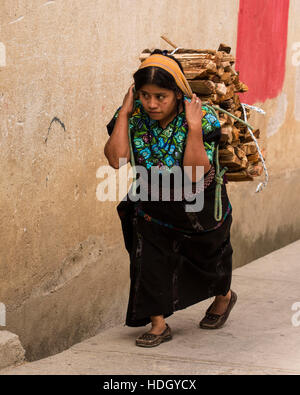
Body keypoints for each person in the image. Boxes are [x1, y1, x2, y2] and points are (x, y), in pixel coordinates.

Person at [104, 50, 237, 348]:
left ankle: (223, 296)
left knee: (208, 257)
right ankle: (158, 323)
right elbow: (116, 160)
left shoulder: (203, 117)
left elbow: (193, 173)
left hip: (198, 203)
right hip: (151, 200)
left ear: (177, 93)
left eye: (160, 96)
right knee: (147, 259)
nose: (151, 104)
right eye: (145, 95)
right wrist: (124, 114)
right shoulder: (132, 114)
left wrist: (192, 127)